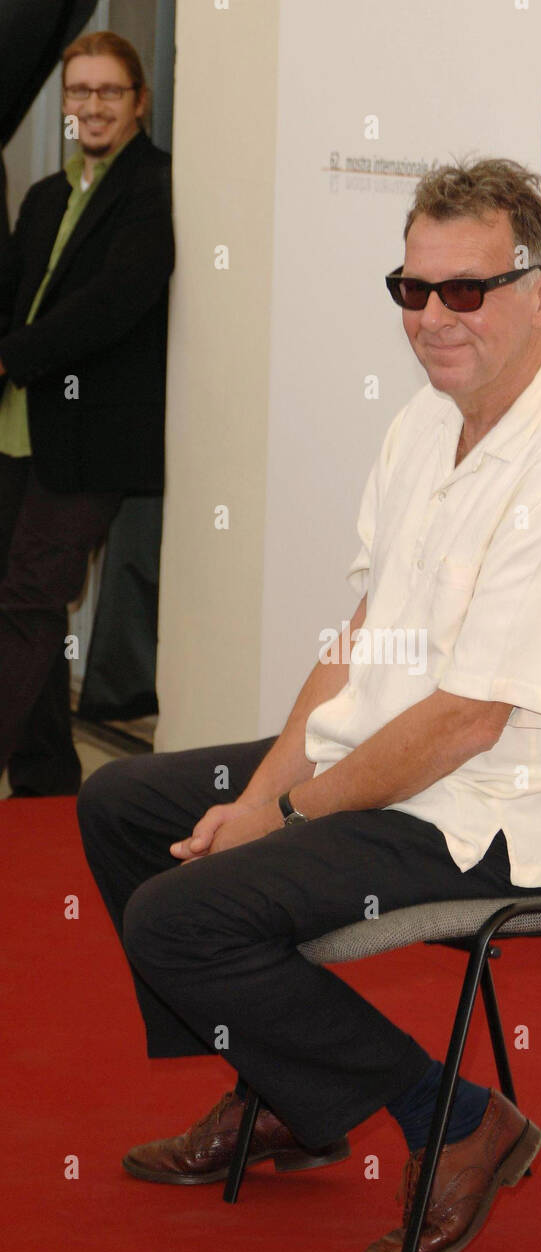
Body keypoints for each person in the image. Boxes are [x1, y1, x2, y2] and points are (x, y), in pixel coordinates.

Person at [76, 157, 541, 1252]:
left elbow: (464, 726)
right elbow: (359, 641)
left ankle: (456, 1117)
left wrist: (284, 809)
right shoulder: (423, 420)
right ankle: (287, 1083)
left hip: (491, 808)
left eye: (465, 290)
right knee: (119, 804)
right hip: (393, 758)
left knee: (175, 919)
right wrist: (258, 796)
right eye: (412, 288)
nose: (432, 317)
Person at [0, 30, 174, 797]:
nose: (92, 106)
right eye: (79, 92)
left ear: (139, 102)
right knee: (25, 606)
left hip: (92, 438)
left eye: (108, 91)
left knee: (29, 601)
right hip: (16, 430)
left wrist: (15, 355)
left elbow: (113, 305)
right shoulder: (45, 196)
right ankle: (45, 782)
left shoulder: (156, 187)